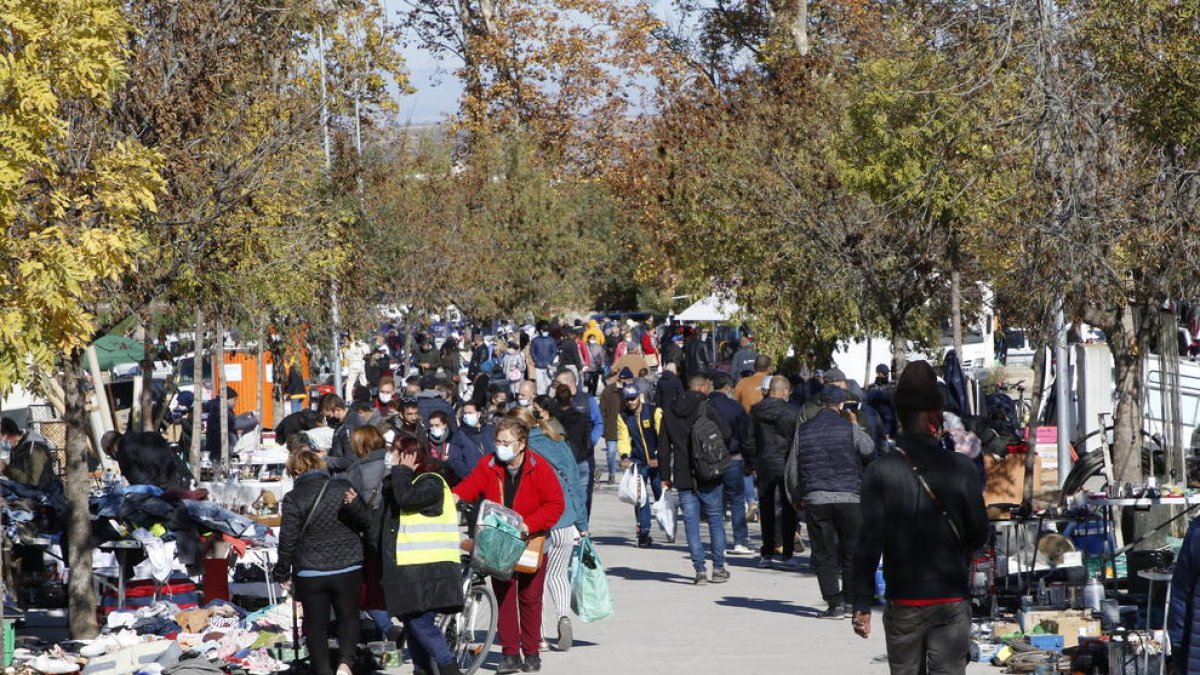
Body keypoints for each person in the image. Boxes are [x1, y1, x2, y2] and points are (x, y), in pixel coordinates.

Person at [849, 361, 989, 674]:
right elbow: (979, 534)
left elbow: (868, 544)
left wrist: (861, 601)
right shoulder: (962, 469)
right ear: (934, 416)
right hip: (950, 599)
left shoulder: (879, 471)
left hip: (903, 601)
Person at [452, 418, 565, 674]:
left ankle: (532, 651)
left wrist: (529, 523)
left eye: (506, 442)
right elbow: (473, 484)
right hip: (498, 543)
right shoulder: (489, 463)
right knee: (503, 597)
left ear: (521, 443)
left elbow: (555, 504)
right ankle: (510, 653)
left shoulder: (539, 467)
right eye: (498, 441)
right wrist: (456, 494)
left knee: (530, 598)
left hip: (530, 542)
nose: (501, 447)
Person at [272, 449, 370, 675]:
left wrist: (282, 571)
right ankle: (345, 664)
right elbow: (365, 520)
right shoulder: (343, 486)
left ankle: (323, 670)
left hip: (311, 570)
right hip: (348, 564)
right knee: (348, 616)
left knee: (316, 626)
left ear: (296, 471)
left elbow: (288, 539)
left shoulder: (293, 498)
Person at [377, 436, 465, 675]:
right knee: (412, 622)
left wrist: (401, 472)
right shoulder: (397, 483)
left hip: (429, 567)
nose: (391, 458)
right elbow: (381, 523)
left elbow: (408, 499)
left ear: (411, 456)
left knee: (419, 622)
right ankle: (422, 669)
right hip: (409, 566)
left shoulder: (432, 481)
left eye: (396, 453)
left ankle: (448, 667)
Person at [508, 407, 588, 653]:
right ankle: (563, 616)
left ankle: (538, 636)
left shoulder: (521, 451)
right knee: (558, 574)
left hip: (536, 522)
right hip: (564, 519)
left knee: (533, 579)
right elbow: (574, 483)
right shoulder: (557, 441)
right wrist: (582, 523)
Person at [792, 386, 875, 618]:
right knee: (851, 551)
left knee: (824, 553)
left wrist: (796, 496)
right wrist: (855, 423)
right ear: (840, 405)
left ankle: (833, 603)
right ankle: (850, 601)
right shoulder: (849, 427)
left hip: (816, 497)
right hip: (850, 497)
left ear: (820, 404)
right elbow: (868, 449)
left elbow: (793, 466)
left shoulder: (804, 429)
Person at [660, 374, 731, 585]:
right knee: (715, 519)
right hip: (708, 472)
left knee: (691, 523)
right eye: (708, 386)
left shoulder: (669, 413)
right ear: (701, 387)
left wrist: (665, 476)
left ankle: (699, 570)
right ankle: (718, 568)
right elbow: (725, 433)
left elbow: (663, 448)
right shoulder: (705, 407)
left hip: (683, 474)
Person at [751, 376, 801, 570]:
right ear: (783, 391)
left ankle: (767, 552)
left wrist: (751, 461)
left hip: (764, 462)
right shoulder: (791, 412)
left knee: (766, 508)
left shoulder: (756, 411)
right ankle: (787, 554)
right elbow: (795, 439)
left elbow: (750, 439)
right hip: (786, 463)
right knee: (788, 509)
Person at [708, 372, 756, 555]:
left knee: (715, 501)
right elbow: (746, 436)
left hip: (709, 460)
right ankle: (739, 540)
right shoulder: (735, 407)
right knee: (736, 499)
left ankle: (717, 543)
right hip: (733, 457)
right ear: (728, 388)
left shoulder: (704, 405)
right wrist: (750, 461)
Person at [616, 384, 663, 547]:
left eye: (633, 398)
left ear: (640, 396)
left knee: (660, 495)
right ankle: (644, 532)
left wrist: (658, 456)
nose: (630, 402)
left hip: (657, 462)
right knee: (640, 497)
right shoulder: (623, 417)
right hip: (639, 462)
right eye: (627, 399)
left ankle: (667, 521)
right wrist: (624, 456)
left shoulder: (653, 412)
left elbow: (662, 436)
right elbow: (623, 439)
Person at [105, 431, 190, 491]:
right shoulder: (150, 435)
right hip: (183, 480)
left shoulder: (124, 456)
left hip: (169, 494)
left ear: (111, 450)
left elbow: (144, 486)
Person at [0, 417, 58, 489]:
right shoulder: (17, 446)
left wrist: (6, 469)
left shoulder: (34, 449)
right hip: (25, 492)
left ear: (7, 435)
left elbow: (33, 482)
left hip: (44, 494)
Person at [599, 368, 634, 485]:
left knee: (626, 453)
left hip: (627, 427)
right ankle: (611, 474)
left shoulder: (631, 391)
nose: (630, 382)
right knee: (611, 452)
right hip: (611, 427)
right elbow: (601, 410)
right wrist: (603, 426)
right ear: (623, 379)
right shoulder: (609, 391)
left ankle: (626, 476)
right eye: (629, 379)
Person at [447, 402, 493, 485]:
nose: (467, 416)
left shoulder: (489, 431)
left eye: (470, 413)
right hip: (472, 482)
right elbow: (455, 461)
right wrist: (471, 477)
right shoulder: (459, 435)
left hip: (492, 480)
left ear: (478, 414)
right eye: (465, 413)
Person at [203, 386, 239, 463]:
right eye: (234, 400)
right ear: (227, 399)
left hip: (217, 447)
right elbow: (234, 423)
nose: (236, 402)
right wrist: (251, 419)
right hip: (220, 447)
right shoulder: (221, 409)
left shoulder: (218, 407)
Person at [530, 323, 559, 395]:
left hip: (549, 366)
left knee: (549, 384)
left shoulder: (551, 340)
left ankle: (549, 399)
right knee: (539, 385)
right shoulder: (535, 340)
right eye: (544, 330)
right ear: (541, 330)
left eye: (547, 330)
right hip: (538, 366)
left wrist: (550, 361)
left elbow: (554, 352)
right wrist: (536, 361)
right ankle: (541, 399)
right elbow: (532, 352)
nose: (546, 332)